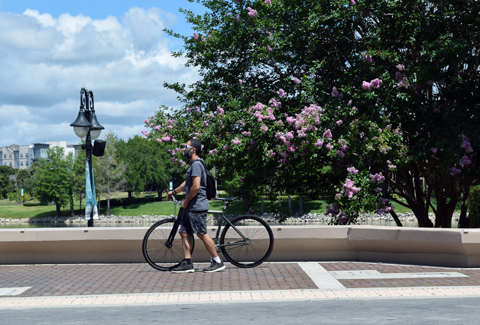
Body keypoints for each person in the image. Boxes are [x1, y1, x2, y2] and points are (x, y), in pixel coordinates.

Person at [167, 139, 225, 273]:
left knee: (201, 233)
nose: (183, 149)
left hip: (196, 206)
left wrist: (186, 201)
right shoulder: (194, 165)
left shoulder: (197, 165)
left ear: (193, 150)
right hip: (191, 207)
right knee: (184, 232)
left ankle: (217, 261)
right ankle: (187, 263)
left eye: (185, 147)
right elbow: (186, 183)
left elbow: (196, 186)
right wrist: (174, 191)